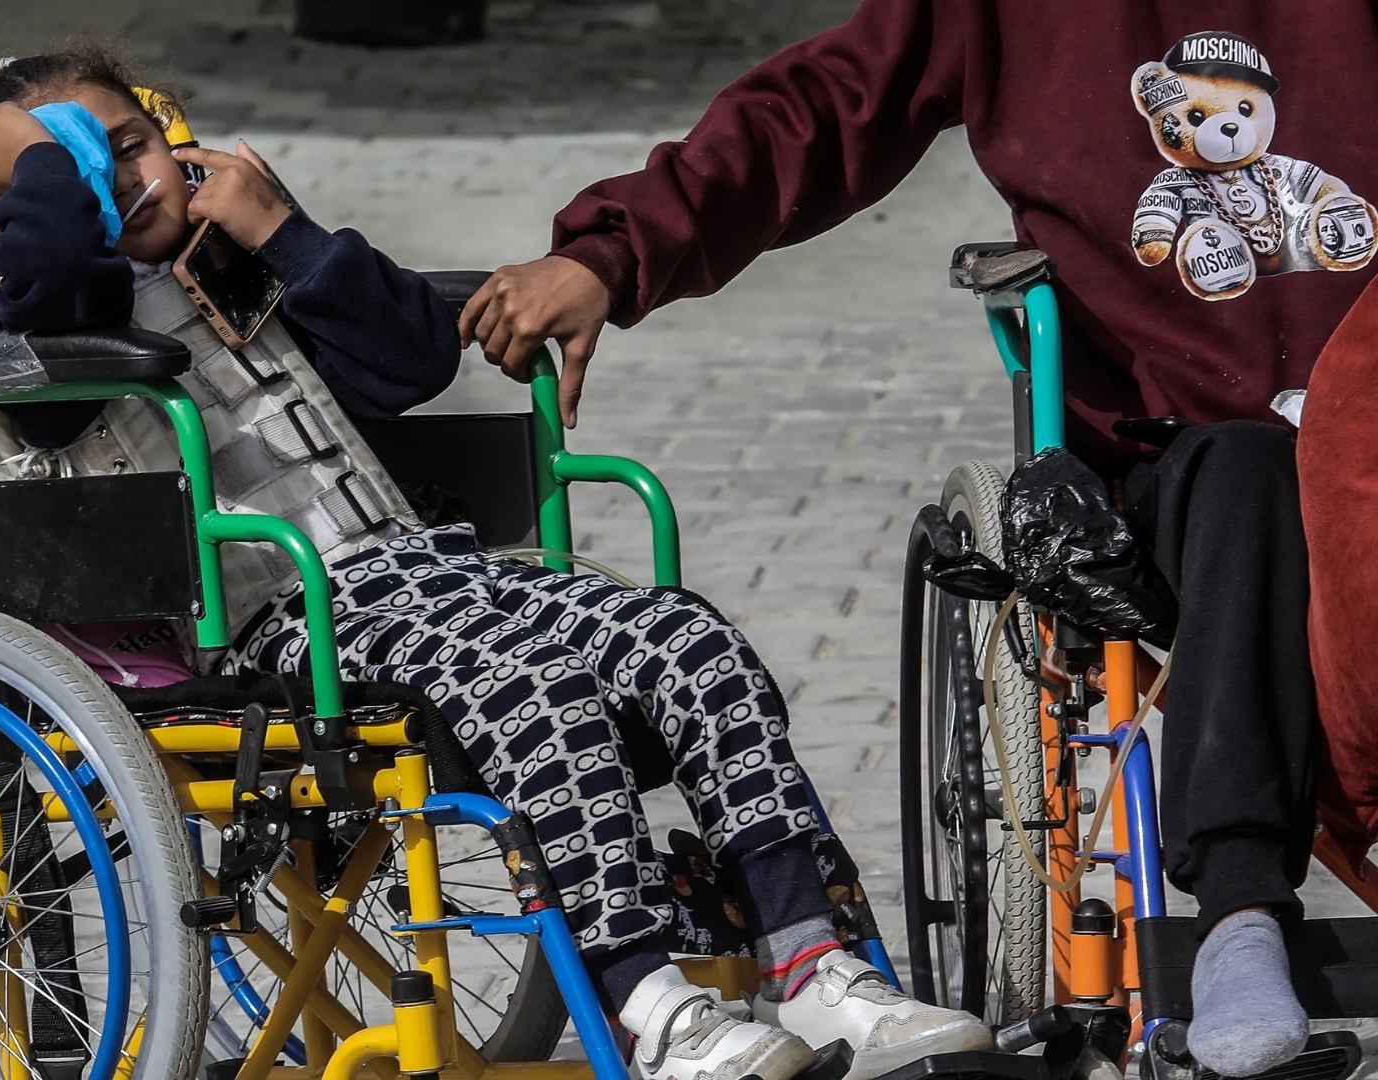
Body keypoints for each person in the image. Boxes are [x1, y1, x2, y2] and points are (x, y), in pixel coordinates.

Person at [0, 45, 991, 1080]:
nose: (115, 175)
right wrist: (43, 171)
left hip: (421, 569)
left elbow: (414, 360)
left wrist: (282, 230)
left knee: (689, 641)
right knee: (536, 688)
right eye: (70, 166)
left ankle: (813, 964)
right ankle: (653, 1010)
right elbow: (60, 270)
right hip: (276, 625)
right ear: (14, 210)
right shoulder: (39, 324)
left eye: (128, 143)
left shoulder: (226, 265)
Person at [463, 5, 1378, 1076]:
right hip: (1196, 458)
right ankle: (1239, 916)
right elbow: (821, 109)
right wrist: (613, 253)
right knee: (1252, 475)